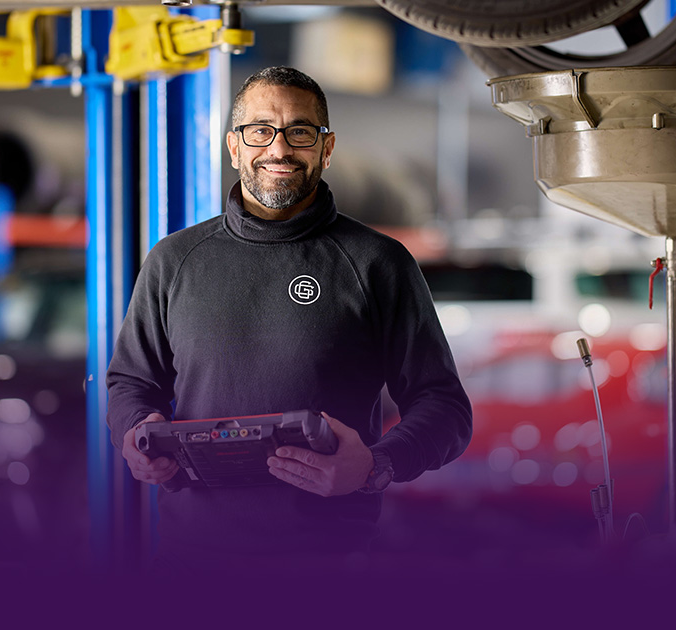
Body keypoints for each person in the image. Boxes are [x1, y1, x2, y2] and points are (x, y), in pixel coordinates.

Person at [105, 66, 472, 566]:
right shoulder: (173, 260)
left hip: (329, 568)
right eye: (260, 130)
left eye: (300, 131)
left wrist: (376, 464)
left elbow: (445, 407)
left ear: (327, 147)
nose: (278, 149)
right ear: (234, 147)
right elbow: (130, 382)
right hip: (189, 564)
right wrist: (136, 431)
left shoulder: (376, 263)